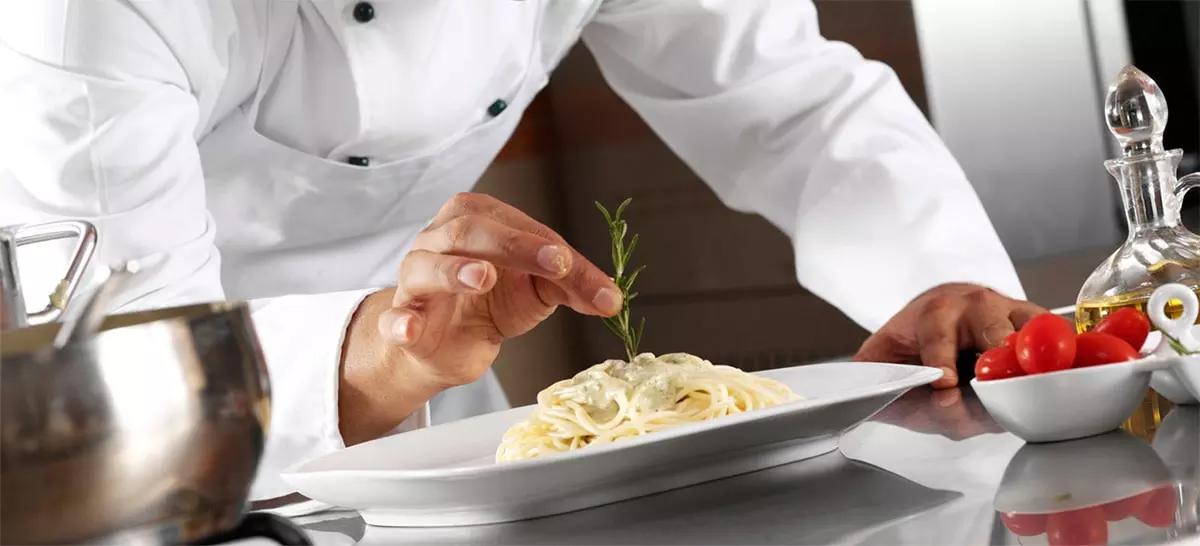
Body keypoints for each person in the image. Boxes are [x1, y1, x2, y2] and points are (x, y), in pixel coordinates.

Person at [0, 0, 1044, 499]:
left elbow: (794, 105)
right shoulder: (84, 18)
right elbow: (122, 381)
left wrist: (938, 286)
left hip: (444, 419)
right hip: (180, 436)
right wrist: (374, 355)